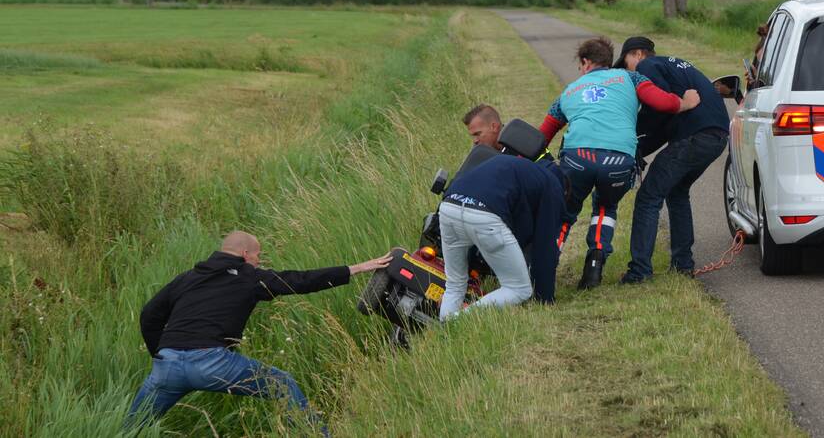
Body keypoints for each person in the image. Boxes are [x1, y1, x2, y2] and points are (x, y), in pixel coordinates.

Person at [125, 231, 391, 434]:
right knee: (282, 384)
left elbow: (150, 314)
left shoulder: (187, 278)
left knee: (130, 429)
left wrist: (160, 353)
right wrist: (355, 268)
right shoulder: (248, 276)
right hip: (213, 363)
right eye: (257, 256)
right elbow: (300, 280)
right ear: (244, 254)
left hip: (167, 366)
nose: (258, 261)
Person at [538, 37, 699, 289]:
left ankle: (545, 267)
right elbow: (662, 102)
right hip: (618, 159)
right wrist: (686, 102)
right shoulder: (631, 79)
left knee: (566, 213)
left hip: (577, 158)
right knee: (605, 207)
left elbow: (543, 135)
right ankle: (595, 265)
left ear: (585, 62)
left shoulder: (569, 91)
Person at [613, 37, 730, 284]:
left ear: (637, 55)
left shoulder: (648, 67)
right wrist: (639, 149)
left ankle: (639, 271)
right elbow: (666, 122)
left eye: (625, 66)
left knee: (648, 196)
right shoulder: (672, 67)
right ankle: (682, 265)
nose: (628, 76)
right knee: (676, 193)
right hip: (716, 137)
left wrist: (632, 140)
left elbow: (659, 108)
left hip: (695, 137)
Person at [438, 154, 567, 319]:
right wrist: (545, 299)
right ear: (565, 191)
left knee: (455, 284)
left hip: (449, 206)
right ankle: (458, 321)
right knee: (519, 289)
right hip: (483, 214)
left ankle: (446, 331)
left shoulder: (520, 171)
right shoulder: (553, 185)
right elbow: (544, 247)